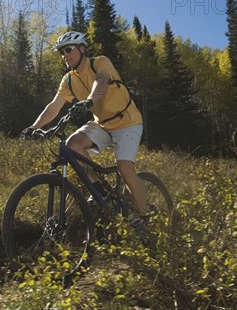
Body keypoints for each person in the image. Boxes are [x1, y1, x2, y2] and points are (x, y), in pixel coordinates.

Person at [21, 31, 148, 227]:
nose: (65, 55)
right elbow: (54, 106)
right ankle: (99, 192)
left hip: (127, 121)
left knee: (124, 167)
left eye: (69, 50)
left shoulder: (99, 62)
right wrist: (34, 127)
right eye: (62, 52)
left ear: (82, 49)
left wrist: (89, 101)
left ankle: (145, 218)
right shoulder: (69, 79)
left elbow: (102, 81)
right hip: (102, 123)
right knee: (73, 145)